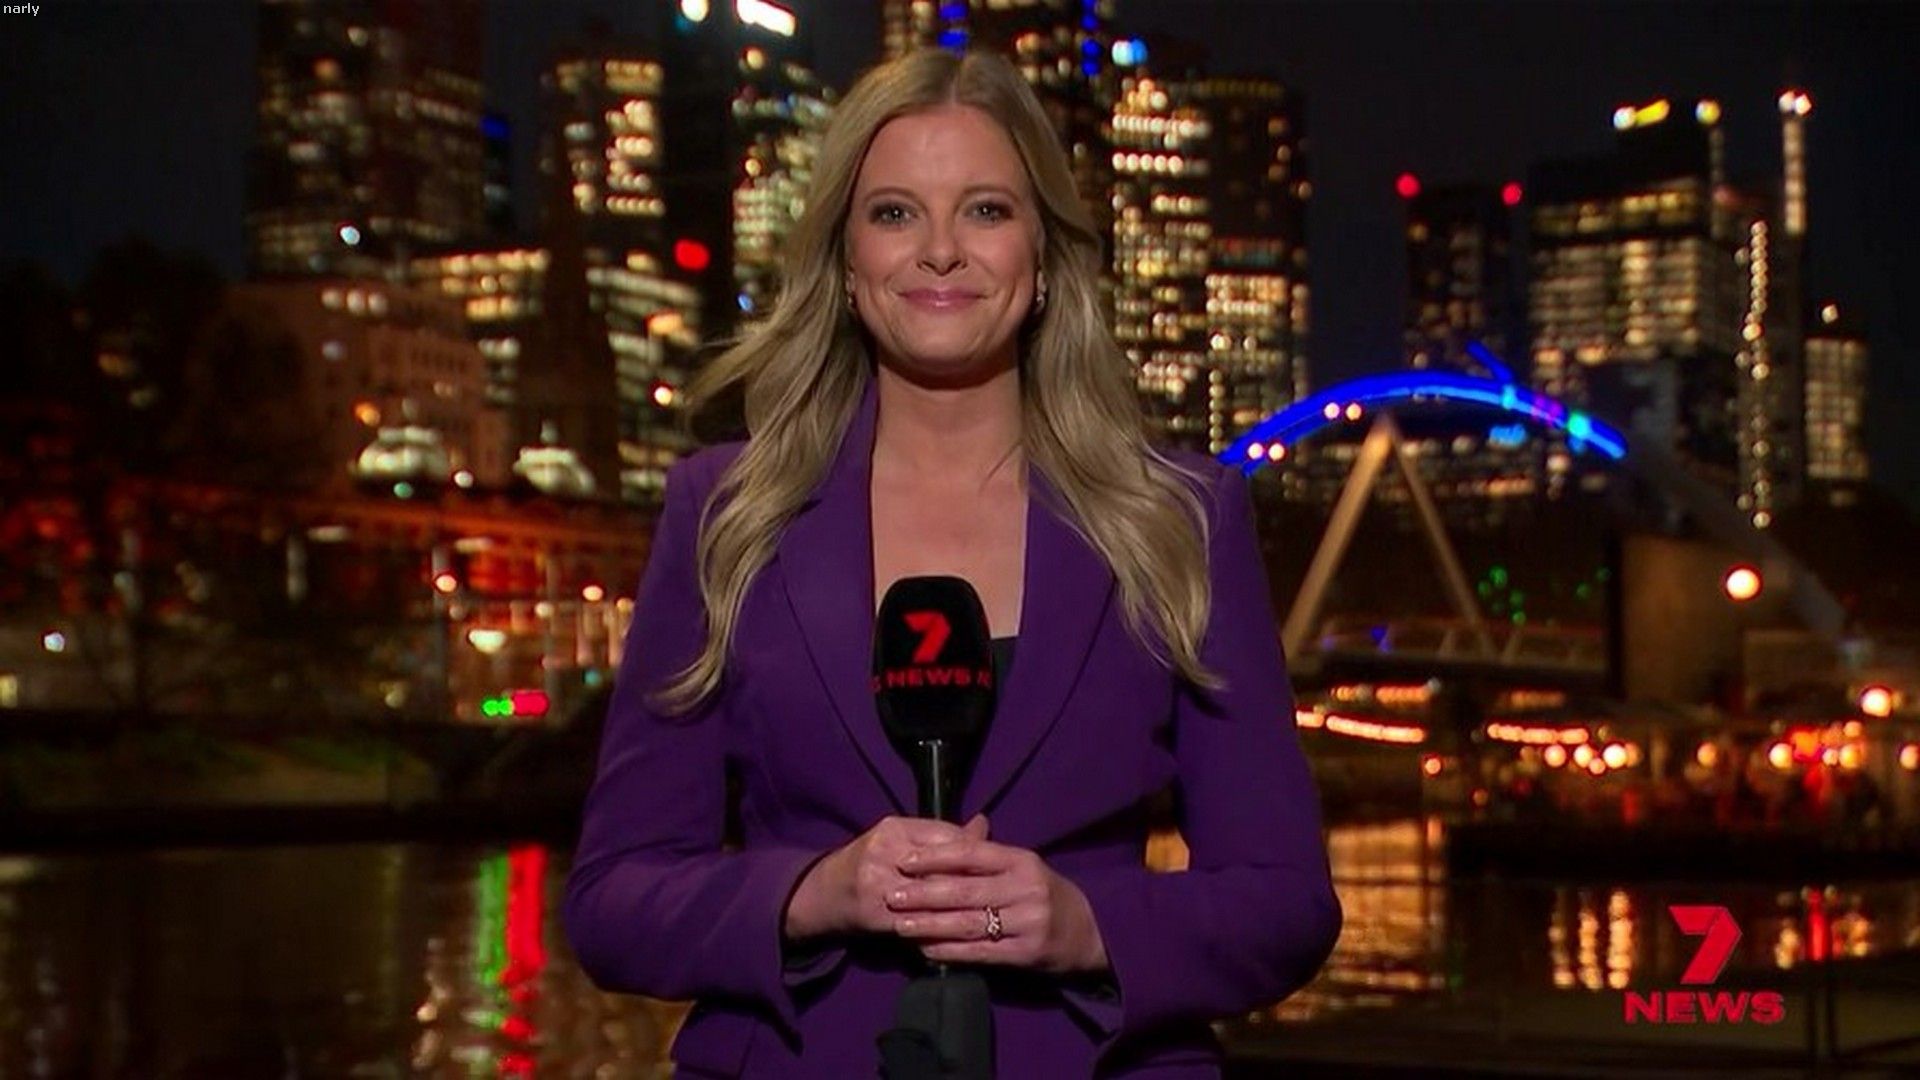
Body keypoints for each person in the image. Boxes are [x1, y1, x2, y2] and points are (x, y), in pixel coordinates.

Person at [563, 49, 1341, 1078]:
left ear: (1045, 257)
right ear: (845, 263)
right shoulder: (726, 514)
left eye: (985, 211)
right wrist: (811, 894)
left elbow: (1286, 901)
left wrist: (1087, 924)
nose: (939, 252)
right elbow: (613, 900)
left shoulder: (1180, 519)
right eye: (895, 214)